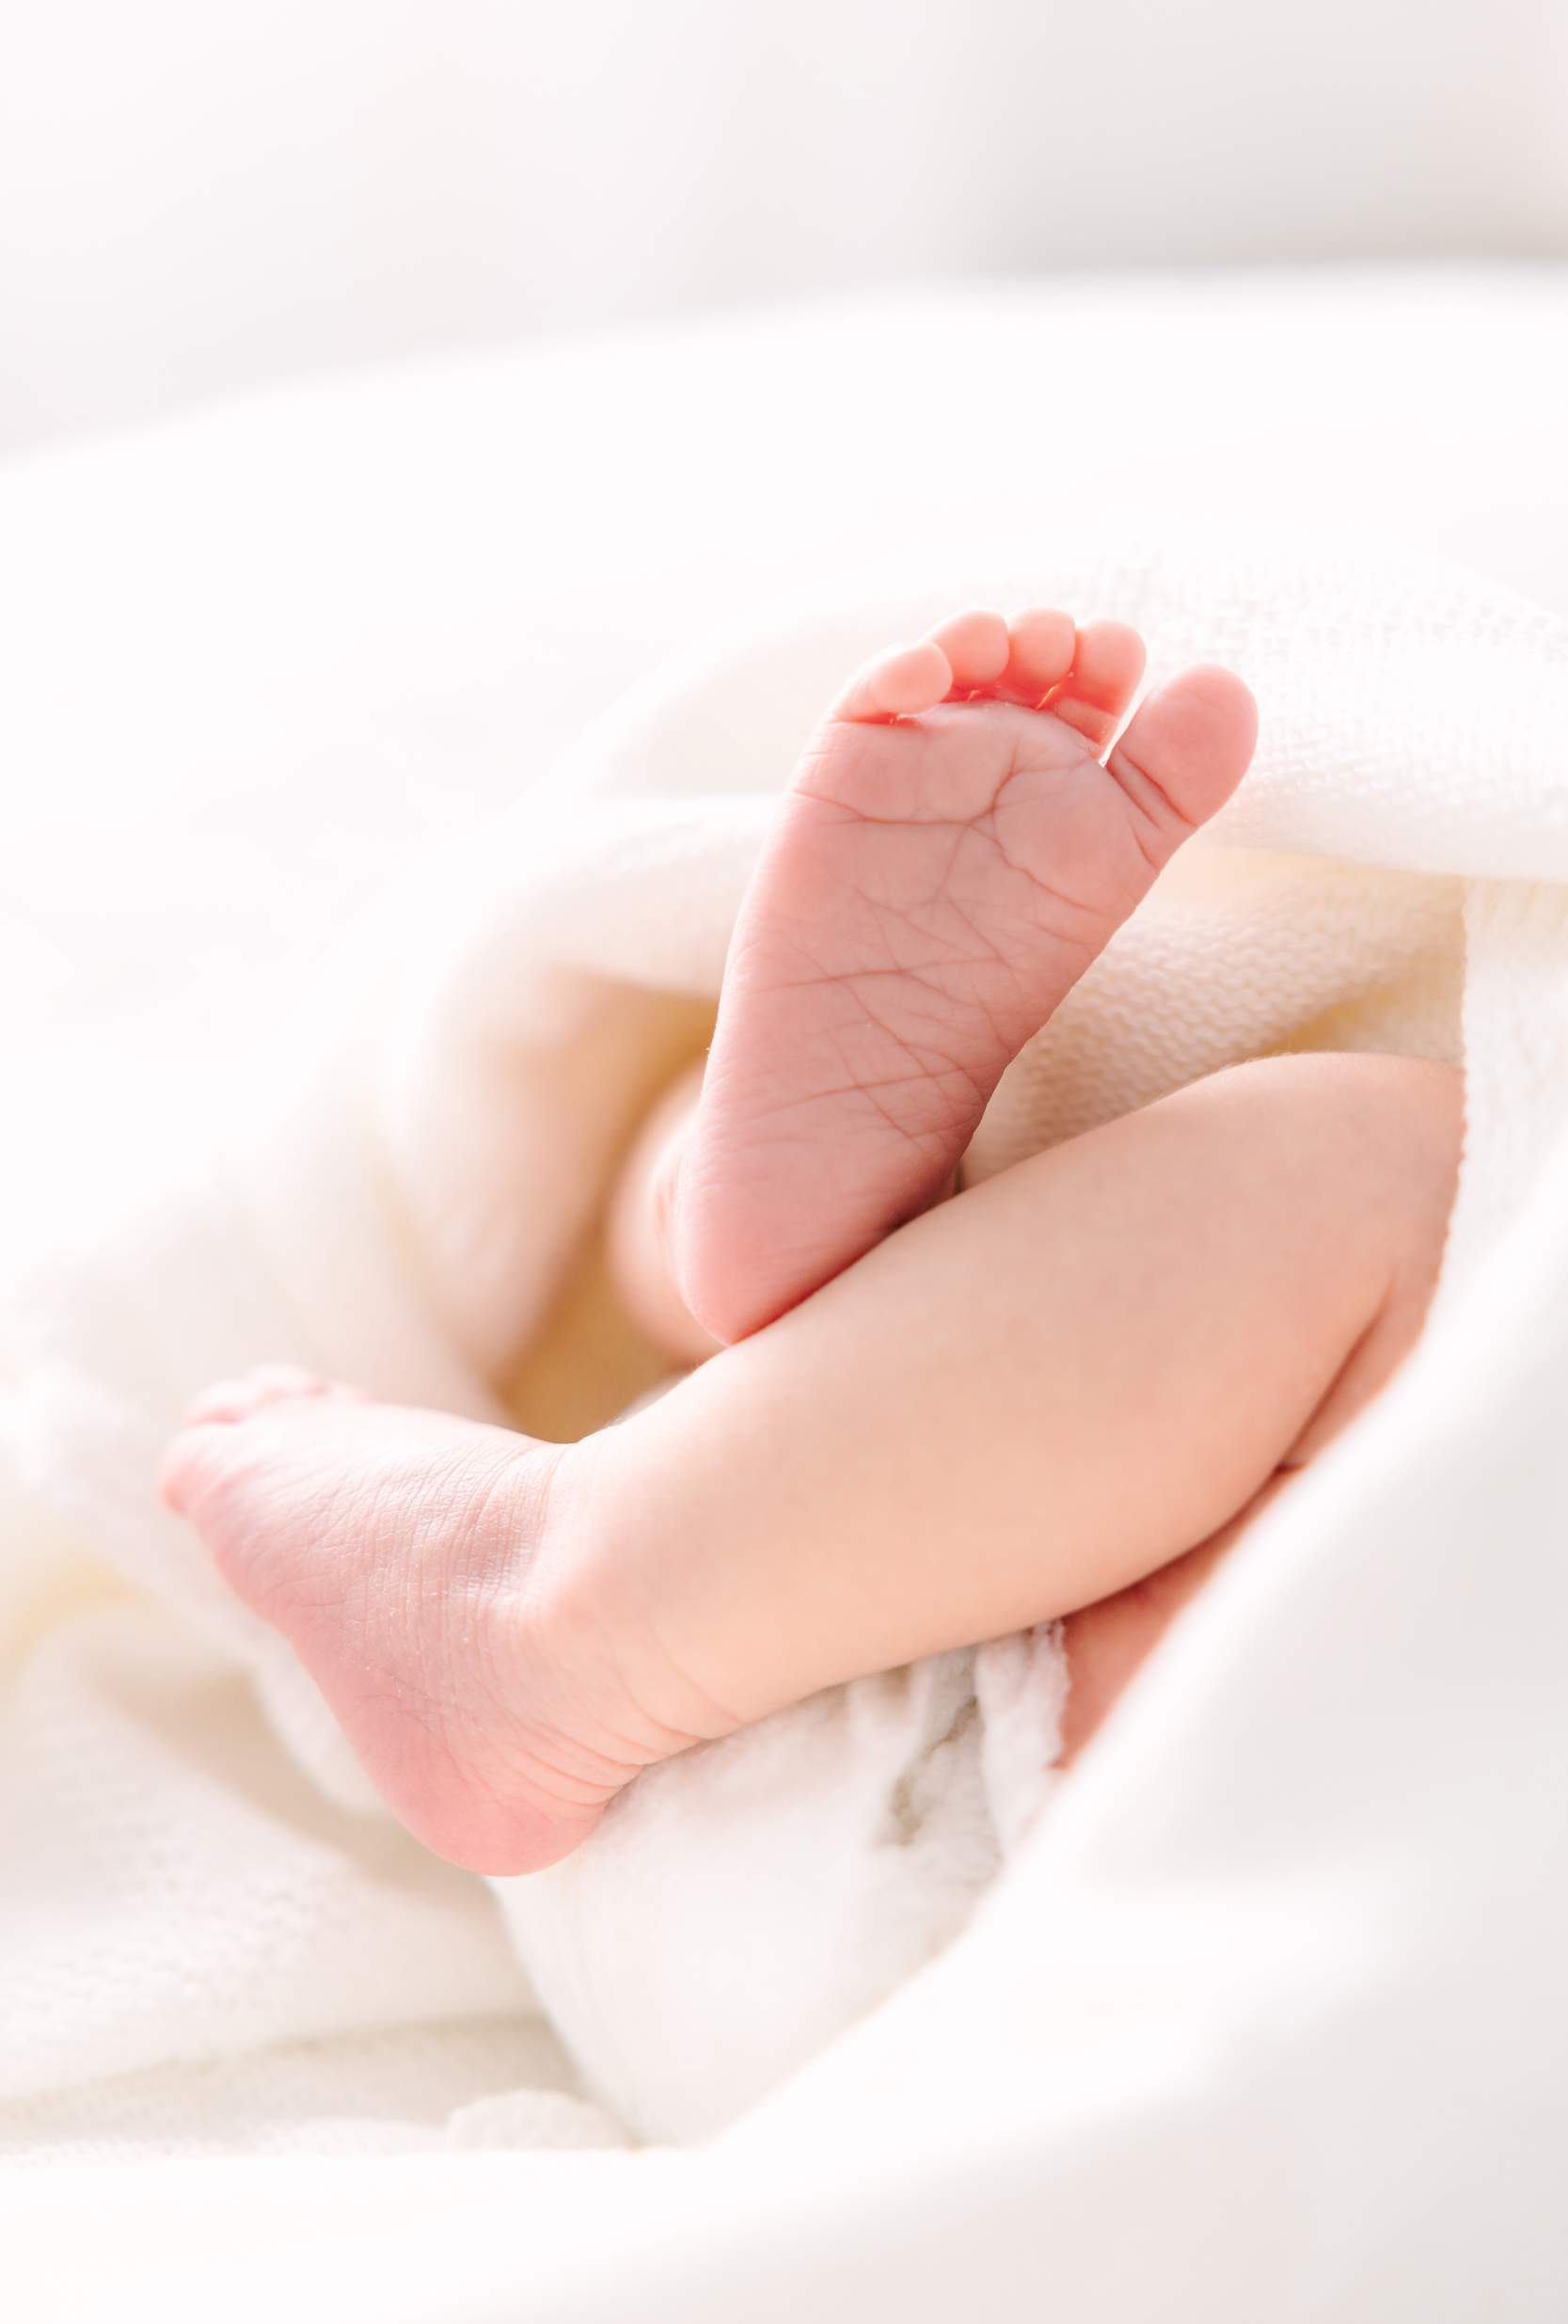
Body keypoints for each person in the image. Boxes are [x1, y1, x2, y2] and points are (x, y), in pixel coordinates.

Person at [161, 607, 1462, 1874]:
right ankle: (751, 1232)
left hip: (993, 1805)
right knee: (1309, 1239)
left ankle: (561, 1585)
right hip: (930, 1663)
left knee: (1392, 1189)